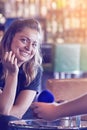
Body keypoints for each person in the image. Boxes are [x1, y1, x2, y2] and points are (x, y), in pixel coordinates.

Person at [0, 18, 43, 129]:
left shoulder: (34, 70)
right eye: (24, 40)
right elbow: (3, 110)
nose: (29, 48)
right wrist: (12, 74)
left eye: (34, 44)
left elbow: (18, 113)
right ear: (10, 39)